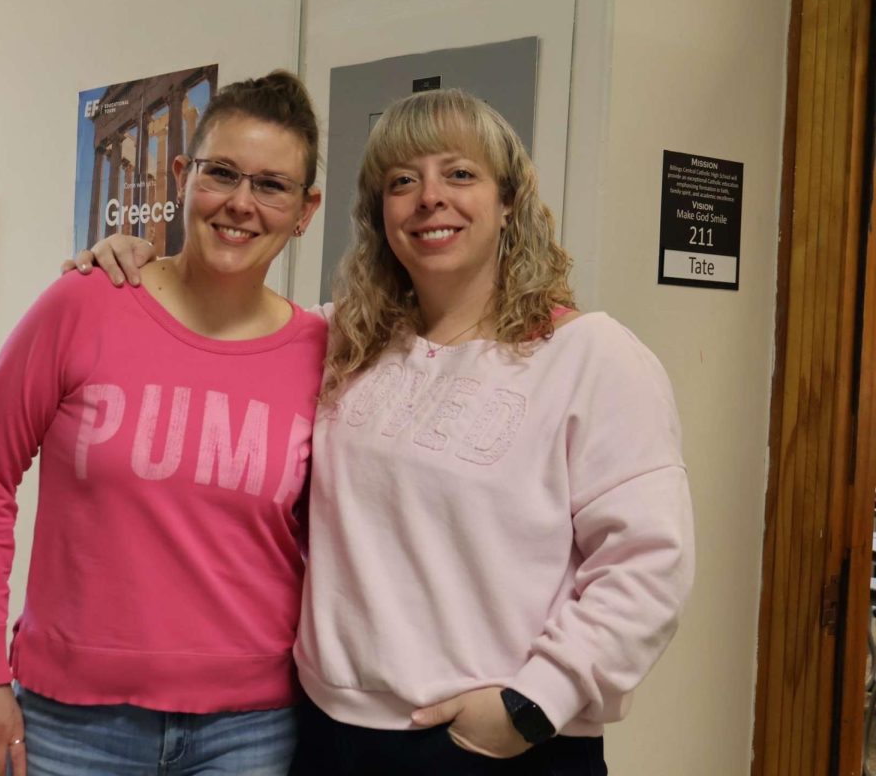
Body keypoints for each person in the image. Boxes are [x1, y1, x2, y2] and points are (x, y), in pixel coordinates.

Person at [74, 87, 694, 775]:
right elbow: (212, 331)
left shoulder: (590, 357)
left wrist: (534, 702)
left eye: (460, 174)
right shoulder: (338, 340)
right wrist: (135, 266)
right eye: (403, 181)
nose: (431, 197)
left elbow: (648, 562)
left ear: (509, 199)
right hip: (326, 736)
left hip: (499, 743)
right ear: (380, 213)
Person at [0, 70, 326, 776]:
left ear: (305, 211)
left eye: (271, 186)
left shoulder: (322, 354)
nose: (241, 204)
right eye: (222, 173)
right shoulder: (86, 303)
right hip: (71, 722)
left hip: (250, 731)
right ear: (182, 176)